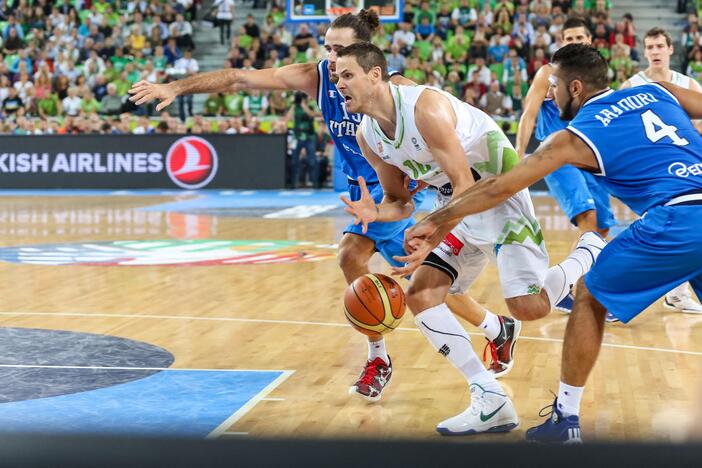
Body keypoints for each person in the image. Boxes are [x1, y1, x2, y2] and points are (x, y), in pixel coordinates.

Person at [128, 10, 520, 403]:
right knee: (389, 270)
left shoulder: (398, 90)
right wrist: (175, 88)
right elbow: (239, 76)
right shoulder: (315, 76)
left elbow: (435, 137)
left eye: (341, 50)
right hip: (366, 192)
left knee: (395, 272)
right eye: (327, 48)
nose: (331, 58)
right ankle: (476, 331)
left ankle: (415, 350)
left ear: (367, 58)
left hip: (403, 192)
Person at [402, 43, 702, 443]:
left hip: (678, 217)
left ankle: (566, 418)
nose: (550, 93)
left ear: (575, 87)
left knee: (590, 296)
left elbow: (497, 188)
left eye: (554, 85)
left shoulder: (576, 134)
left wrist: (437, 218)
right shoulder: (657, 89)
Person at [336, 42, 606, 435]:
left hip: (497, 186)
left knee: (529, 307)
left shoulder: (423, 108)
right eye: (336, 76)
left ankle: (589, 249)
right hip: (456, 200)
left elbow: (466, 183)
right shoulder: (367, 135)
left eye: (347, 75)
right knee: (422, 293)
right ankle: (490, 397)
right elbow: (400, 201)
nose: (339, 83)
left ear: (375, 75)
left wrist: (434, 233)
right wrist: (376, 213)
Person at [516, 17, 617, 319]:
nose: (573, 41)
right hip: (558, 153)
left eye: (579, 37)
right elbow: (528, 114)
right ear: (561, 41)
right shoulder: (548, 73)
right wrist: (518, 157)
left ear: (590, 41)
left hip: (590, 154)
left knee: (601, 226)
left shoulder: (596, 77)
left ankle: (565, 290)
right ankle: (587, 294)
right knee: (587, 217)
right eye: (568, 37)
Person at [620, 27, 702, 314]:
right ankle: (620, 292)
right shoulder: (631, 86)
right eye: (649, 47)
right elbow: (621, 131)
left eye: (659, 46)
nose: (654, 51)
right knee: (662, 233)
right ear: (643, 52)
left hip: (687, 170)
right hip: (650, 172)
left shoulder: (687, 84)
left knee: (685, 231)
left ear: (670, 50)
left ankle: (674, 294)